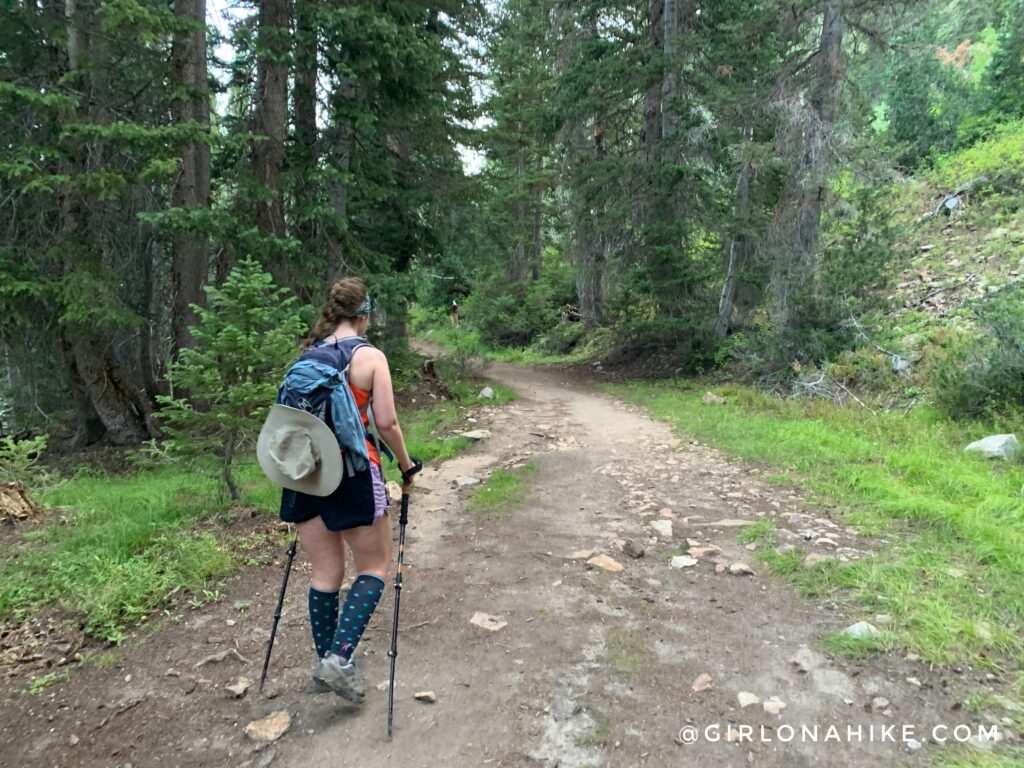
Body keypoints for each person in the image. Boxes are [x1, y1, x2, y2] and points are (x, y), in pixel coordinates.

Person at [279, 277, 419, 703]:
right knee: (374, 567)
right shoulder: (370, 358)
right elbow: (387, 423)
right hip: (354, 473)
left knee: (325, 574)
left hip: (305, 475)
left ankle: (328, 661)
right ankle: (339, 661)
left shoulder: (307, 357)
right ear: (364, 314)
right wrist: (408, 465)